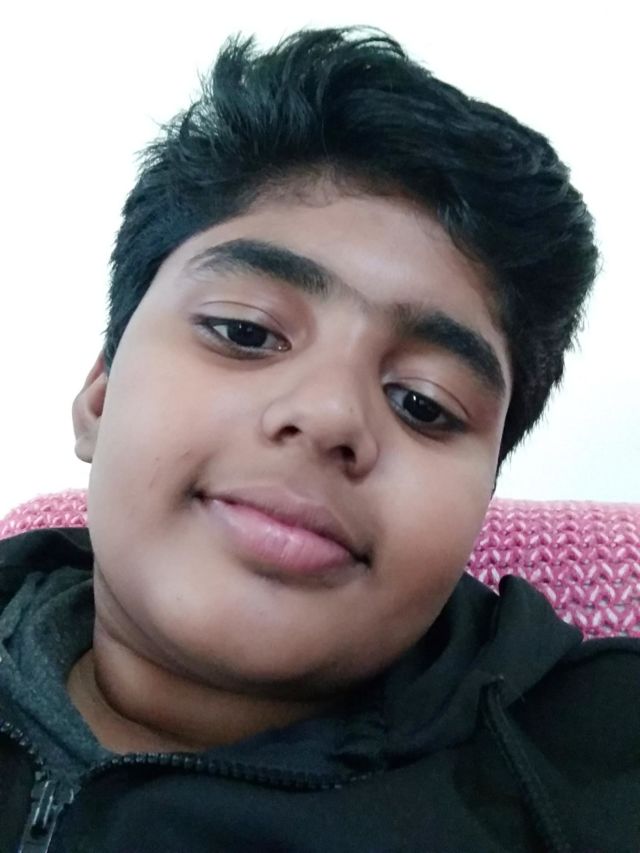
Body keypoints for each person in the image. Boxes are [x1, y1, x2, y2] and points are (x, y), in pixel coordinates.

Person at [0, 25, 637, 853]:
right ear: (100, 394)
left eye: (424, 403)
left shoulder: (602, 751)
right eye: (246, 332)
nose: (332, 415)